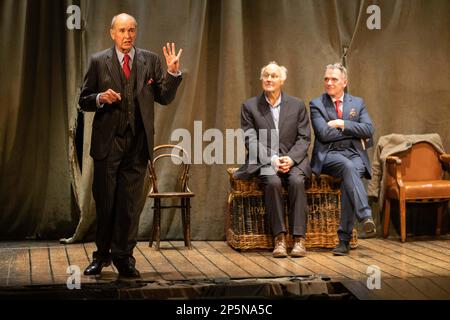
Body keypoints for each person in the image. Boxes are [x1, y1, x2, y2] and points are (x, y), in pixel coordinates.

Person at [79, 13, 183, 277]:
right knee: (106, 204)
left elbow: (164, 97)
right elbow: (84, 100)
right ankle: (101, 256)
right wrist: (101, 97)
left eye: (132, 30)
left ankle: (124, 257)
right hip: (108, 144)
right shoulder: (98, 61)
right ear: (112, 33)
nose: (127, 35)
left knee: (128, 206)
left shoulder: (150, 60)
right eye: (122, 30)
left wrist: (172, 73)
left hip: (137, 145)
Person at [234, 62, 311, 258]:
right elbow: (250, 139)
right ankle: (279, 238)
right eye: (266, 76)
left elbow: (304, 138)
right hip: (265, 161)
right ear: (262, 80)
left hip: (293, 160)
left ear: (282, 80)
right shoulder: (249, 106)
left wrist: (291, 159)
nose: (269, 79)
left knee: (296, 181)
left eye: (274, 76)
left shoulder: (297, 105)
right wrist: (273, 159)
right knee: (273, 182)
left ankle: (299, 239)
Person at [310, 63, 376, 256]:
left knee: (351, 172)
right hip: (329, 155)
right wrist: (353, 131)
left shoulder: (358, 103)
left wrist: (341, 123)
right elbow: (323, 134)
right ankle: (365, 215)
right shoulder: (316, 104)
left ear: (344, 82)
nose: (329, 82)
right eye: (326, 79)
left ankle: (343, 241)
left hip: (354, 155)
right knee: (348, 167)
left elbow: (369, 130)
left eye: (334, 79)